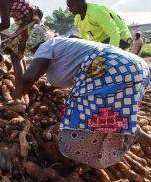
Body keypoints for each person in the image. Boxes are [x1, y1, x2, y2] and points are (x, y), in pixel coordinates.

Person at [21, 24, 151, 169]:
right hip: (137, 68)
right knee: (117, 118)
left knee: (76, 120)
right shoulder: (69, 46)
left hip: (111, 70)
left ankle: (70, 162)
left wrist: (17, 93)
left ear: (37, 43)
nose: (34, 55)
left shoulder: (47, 45)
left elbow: (27, 79)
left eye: (33, 51)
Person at [66, 0, 132, 50]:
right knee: (72, 38)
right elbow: (85, 41)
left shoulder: (97, 12)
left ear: (81, 1)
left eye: (72, 6)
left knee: (102, 59)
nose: (69, 9)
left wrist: (111, 53)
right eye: (68, 7)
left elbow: (114, 33)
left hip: (121, 38)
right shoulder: (77, 19)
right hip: (102, 42)